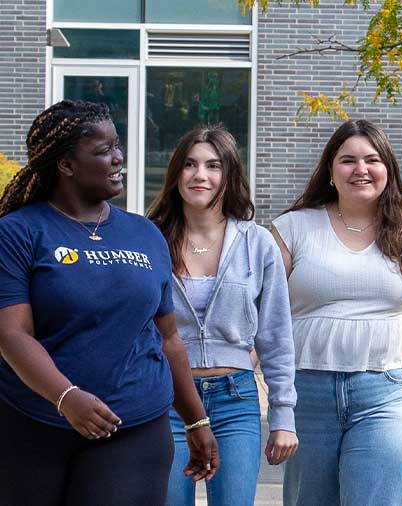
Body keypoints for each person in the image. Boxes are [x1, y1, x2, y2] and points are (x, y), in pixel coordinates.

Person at [0, 100, 219, 506]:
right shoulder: (15, 235)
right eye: (102, 150)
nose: (118, 158)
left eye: (117, 145)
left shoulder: (144, 234)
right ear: (66, 165)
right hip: (26, 421)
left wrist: (196, 418)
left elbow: (168, 338)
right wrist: (66, 397)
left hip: (131, 422)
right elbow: (9, 335)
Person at [271, 119, 402, 506]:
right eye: (347, 160)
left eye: (372, 159)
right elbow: (264, 316)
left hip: (392, 391)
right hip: (308, 393)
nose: (361, 169)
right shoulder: (291, 229)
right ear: (330, 172)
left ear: (388, 169)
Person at [147, 126, 298, 506]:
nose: (200, 175)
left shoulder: (257, 242)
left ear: (229, 175)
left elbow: (276, 336)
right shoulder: (148, 239)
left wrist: (283, 414)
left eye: (213, 166)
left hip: (235, 400)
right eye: (190, 164)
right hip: (167, 400)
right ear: (175, 174)